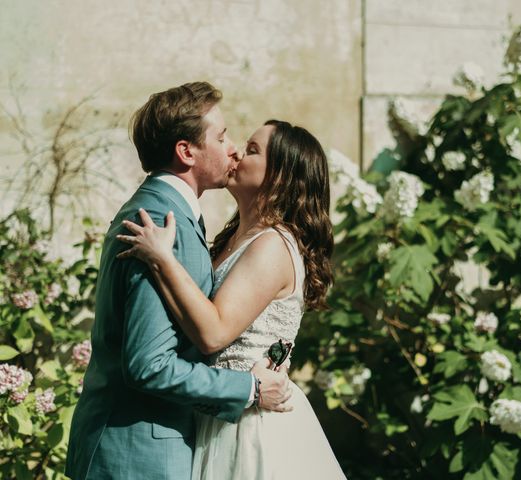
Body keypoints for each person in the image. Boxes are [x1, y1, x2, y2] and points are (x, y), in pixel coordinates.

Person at [65, 82, 291, 480]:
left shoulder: (165, 214)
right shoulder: (164, 222)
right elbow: (149, 365)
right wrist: (249, 390)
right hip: (137, 452)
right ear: (187, 152)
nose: (232, 148)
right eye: (221, 137)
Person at [116, 119, 346, 479]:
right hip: (220, 413)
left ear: (281, 177)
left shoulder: (274, 244)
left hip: (251, 427)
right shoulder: (235, 238)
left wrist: (162, 259)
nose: (237, 151)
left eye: (253, 150)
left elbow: (214, 332)